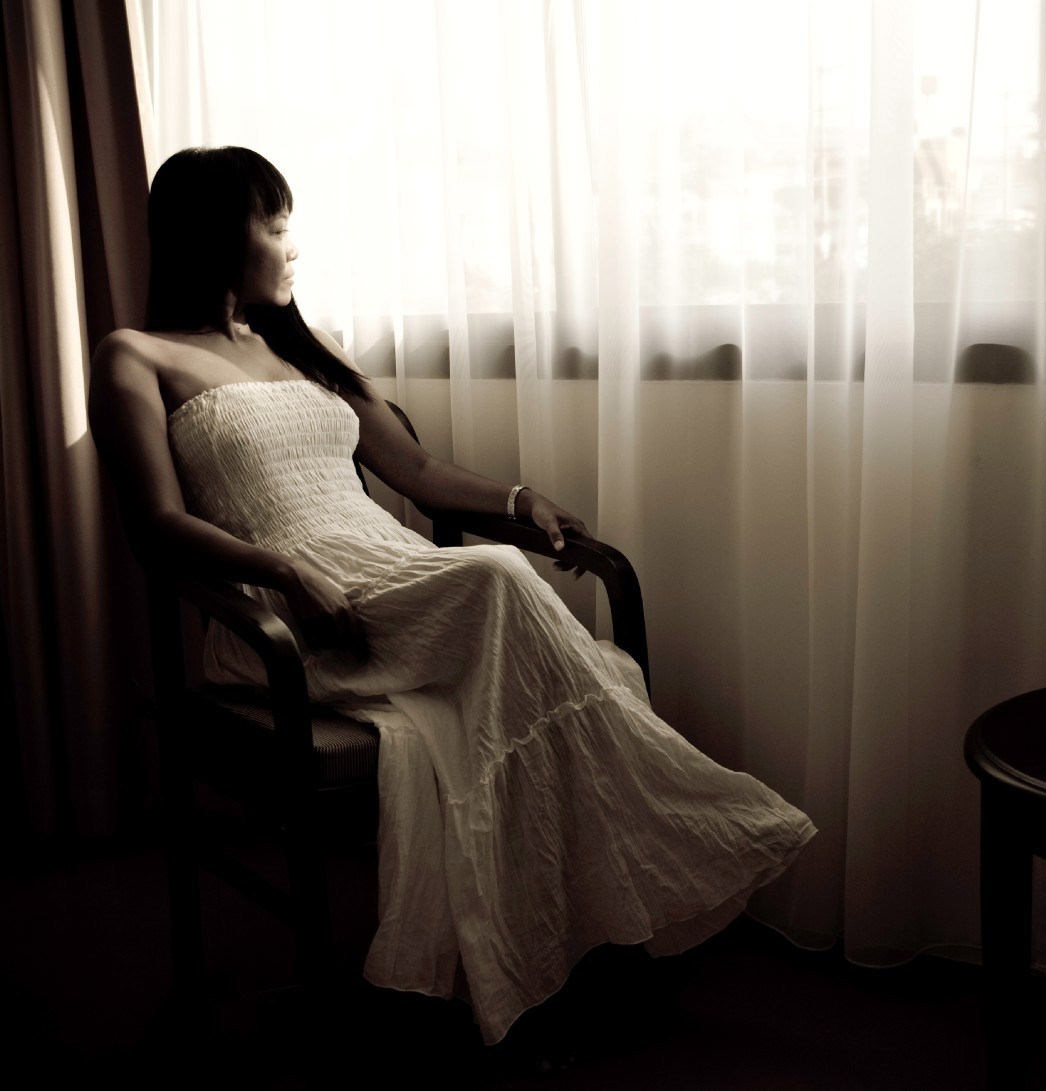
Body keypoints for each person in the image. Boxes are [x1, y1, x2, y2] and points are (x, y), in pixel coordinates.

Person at [89, 146, 815, 1045]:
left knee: (508, 601)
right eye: (275, 225)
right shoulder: (136, 356)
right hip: (293, 614)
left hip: (391, 569)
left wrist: (520, 499)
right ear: (212, 236)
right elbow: (156, 525)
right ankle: (662, 844)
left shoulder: (307, 352)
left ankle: (547, 946)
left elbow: (420, 473)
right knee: (503, 582)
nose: (292, 246)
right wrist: (284, 573)